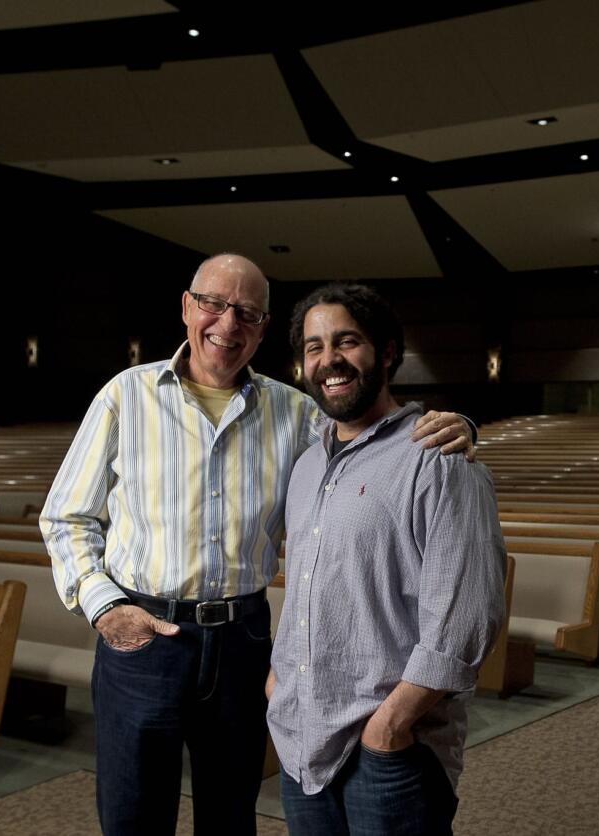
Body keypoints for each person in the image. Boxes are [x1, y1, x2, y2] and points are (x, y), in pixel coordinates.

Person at [40, 254, 473, 836]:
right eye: (214, 305)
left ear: (263, 327)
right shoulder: (126, 395)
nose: (228, 323)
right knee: (133, 816)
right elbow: (66, 517)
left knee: (231, 814)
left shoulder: (295, 412)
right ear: (188, 308)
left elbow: (372, 435)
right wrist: (105, 608)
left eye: (246, 312)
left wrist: (461, 426)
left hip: (242, 641)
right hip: (144, 640)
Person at [268, 283, 505, 835]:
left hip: (388, 752)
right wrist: (279, 684)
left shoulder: (440, 459)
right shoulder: (305, 467)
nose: (329, 360)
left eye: (346, 341)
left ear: (388, 352)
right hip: (301, 739)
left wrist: (390, 726)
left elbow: (467, 617)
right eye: (313, 347)